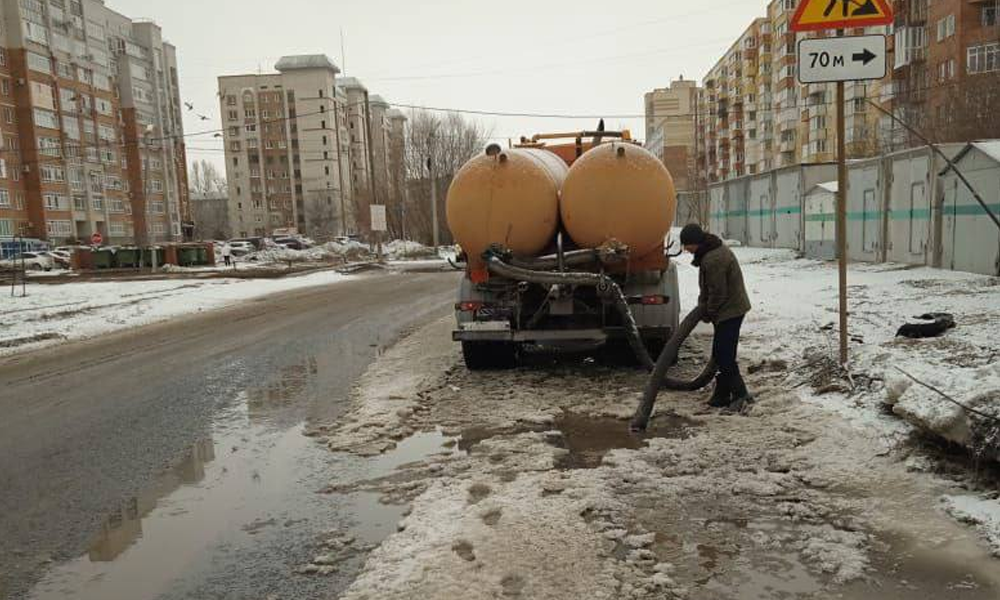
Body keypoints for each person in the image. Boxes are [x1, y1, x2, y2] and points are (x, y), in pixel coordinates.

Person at [679, 224, 753, 409]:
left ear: (695, 242)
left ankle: (741, 394)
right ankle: (721, 396)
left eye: (687, 245)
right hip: (728, 310)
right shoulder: (710, 252)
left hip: (731, 311)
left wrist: (708, 311)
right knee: (721, 353)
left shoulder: (713, 258)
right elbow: (709, 287)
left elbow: (718, 292)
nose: (685, 250)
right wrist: (704, 305)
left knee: (724, 356)